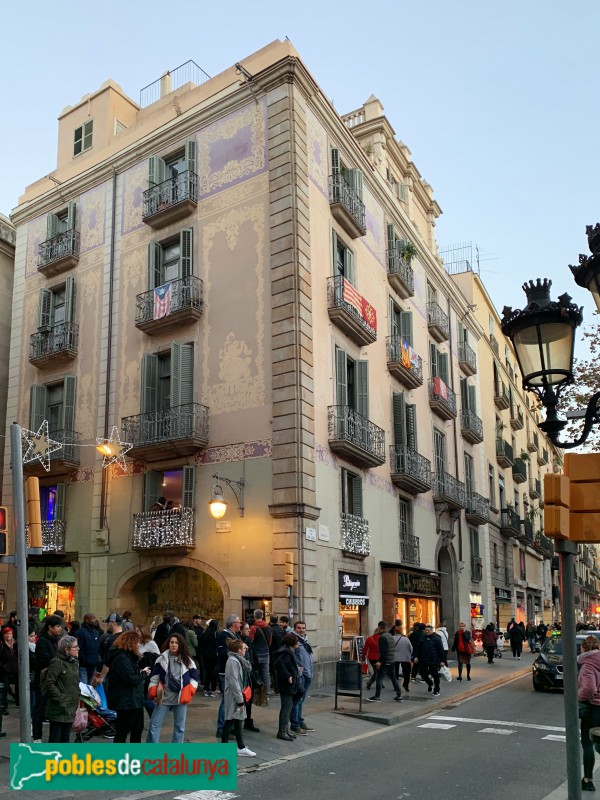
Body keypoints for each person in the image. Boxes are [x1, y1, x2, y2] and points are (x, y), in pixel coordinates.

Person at [146, 633, 198, 743]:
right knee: (154, 724)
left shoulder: (188, 661)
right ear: (168, 643)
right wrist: (153, 689)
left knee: (179, 727)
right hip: (164, 697)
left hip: (180, 698)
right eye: (172, 642)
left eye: (176, 643)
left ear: (181, 645)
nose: (174, 645)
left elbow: (195, 677)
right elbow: (154, 677)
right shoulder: (161, 659)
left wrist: (191, 690)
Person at [105, 630, 147, 743]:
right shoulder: (121, 658)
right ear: (131, 643)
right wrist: (143, 673)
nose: (139, 645)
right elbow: (131, 678)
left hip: (134, 700)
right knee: (123, 731)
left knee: (137, 729)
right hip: (126, 701)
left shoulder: (129, 657)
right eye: (137, 642)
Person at [221, 638, 256, 757]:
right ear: (239, 650)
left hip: (236, 694)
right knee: (231, 719)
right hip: (234, 695)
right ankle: (234, 747)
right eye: (243, 648)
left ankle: (239, 746)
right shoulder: (233, 661)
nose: (245, 649)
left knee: (236, 720)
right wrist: (240, 700)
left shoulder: (236, 660)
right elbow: (233, 681)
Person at [32, 615, 64, 742]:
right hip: (43, 681)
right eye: (57, 626)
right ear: (50, 627)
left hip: (54, 680)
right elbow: (45, 661)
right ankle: (37, 737)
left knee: (51, 709)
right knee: (40, 709)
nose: (60, 629)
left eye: (60, 626)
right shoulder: (43, 641)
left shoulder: (56, 640)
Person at [44, 635, 80, 743]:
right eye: (75, 647)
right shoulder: (57, 662)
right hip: (59, 708)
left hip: (70, 707)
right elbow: (49, 683)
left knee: (65, 739)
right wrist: (61, 698)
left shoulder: (74, 662)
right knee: (55, 739)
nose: (78, 649)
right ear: (66, 650)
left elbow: (74, 683)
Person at [578, 635, 600, 791]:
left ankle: (588, 780)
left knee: (588, 744)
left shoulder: (588, 665)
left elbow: (589, 688)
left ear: (584, 648)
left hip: (593, 709)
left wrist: (578, 697)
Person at [215, 614, 242, 738]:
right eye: (238, 622)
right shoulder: (223, 636)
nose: (240, 624)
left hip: (234, 670)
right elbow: (222, 653)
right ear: (233, 624)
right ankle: (221, 729)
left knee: (232, 700)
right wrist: (236, 654)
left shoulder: (235, 635)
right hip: (226, 671)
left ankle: (229, 727)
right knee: (226, 701)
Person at [366, 621, 403, 703]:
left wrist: (379, 661)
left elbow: (383, 650)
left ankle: (377, 696)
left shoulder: (382, 637)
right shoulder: (390, 635)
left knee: (379, 678)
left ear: (379, 627)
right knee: (393, 678)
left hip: (385, 661)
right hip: (391, 660)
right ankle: (399, 695)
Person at [290, 620, 316, 732]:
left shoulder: (304, 640)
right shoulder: (293, 640)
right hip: (301, 675)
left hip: (308, 674)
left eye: (303, 628)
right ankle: (295, 724)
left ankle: (300, 721)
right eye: (299, 628)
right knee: (297, 700)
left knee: (301, 700)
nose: (301, 630)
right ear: (294, 628)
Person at [274, 633, 300, 741]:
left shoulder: (287, 651)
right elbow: (279, 664)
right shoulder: (286, 653)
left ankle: (286, 730)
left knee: (288, 707)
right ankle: (282, 731)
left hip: (288, 683)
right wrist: (288, 676)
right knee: (286, 708)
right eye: (296, 641)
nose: (298, 643)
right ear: (292, 643)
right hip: (286, 685)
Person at [240, 622, 260, 733]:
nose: (249, 631)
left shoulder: (250, 641)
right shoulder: (240, 642)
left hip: (251, 672)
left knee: (249, 697)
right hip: (244, 674)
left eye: (249, 629)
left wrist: (256, 668)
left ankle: (248, 720)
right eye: (246, 629)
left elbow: (253, 655)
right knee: (242, 698)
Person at [414, 625, 445, 696]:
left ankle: (436, 689)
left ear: (432, 631)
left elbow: (441, 650)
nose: (427, 631)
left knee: (435, 675)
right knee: (422, 673)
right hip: (424, 659)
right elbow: (418, 648)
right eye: (426, 630)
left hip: (434, 660)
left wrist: (442, 660)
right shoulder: (422, 638)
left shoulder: (436, 639)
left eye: (428, 630)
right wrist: (416, 656)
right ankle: (430, 683)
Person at [137, 624, 160, 718]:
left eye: (138, 631)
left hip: (148, 673)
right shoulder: (138, 643)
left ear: (143, 632)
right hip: (140, 671)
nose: (136, 632)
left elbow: (158, 658)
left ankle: (156, 717)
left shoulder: (151, 643)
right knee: (143, 697)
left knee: (145, 698)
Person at [249, 609, 272, 696]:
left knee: (256, 672)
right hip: (266, 653)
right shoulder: (268, 627)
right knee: (266, 674)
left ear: (254, 616)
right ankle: (267, 692)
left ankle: (257, 691)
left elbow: (251, 641)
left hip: (256, 654)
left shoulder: (253, 628)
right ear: (262, 616)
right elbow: (270, 641)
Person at [75, 613, 100, 683]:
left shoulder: (96, 632)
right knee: (84, 687)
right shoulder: (80, 632)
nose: (95, 620)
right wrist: (84, 660)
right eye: (93, 618)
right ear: (86, 620)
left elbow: (97, 647)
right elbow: (78, 648)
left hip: (93, 664)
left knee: (90, 686)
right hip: (84, 666)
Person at [200, 619, 219, 696]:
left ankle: (206, 688)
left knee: (207, 672)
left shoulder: (205, 633)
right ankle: (213, 689)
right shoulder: (216, 634)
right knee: (213, 673)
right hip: (214, 655)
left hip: (206, 655)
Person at [0, 627, 19, 705]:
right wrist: (3, 667)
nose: (8, 636)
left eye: (9, 633)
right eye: (6, 634)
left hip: (16, 668)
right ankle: (5, 705)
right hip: (5, 670)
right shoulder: (1, 645)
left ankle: (18, 701)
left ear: (12, 634)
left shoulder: (16, 643)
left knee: (19, 685)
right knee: (5, 686)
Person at [392, 624, 413, 691]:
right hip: (405, 657)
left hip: (395, 657)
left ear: (395, 631)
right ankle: (405, 684)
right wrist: (409, 655)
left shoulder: (392, 638)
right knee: (406, 672)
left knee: (395, 672)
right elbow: (411, 648)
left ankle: (396, 686)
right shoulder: (406, 639)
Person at [364, 624, 384, 690]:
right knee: (377, 671)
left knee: (377, 671)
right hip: (379, 658)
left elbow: (365, 649)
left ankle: (380, 683)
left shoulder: (369, 639)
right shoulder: (382, 638)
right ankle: (370, 682)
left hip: (371, 658)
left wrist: (363, 658)